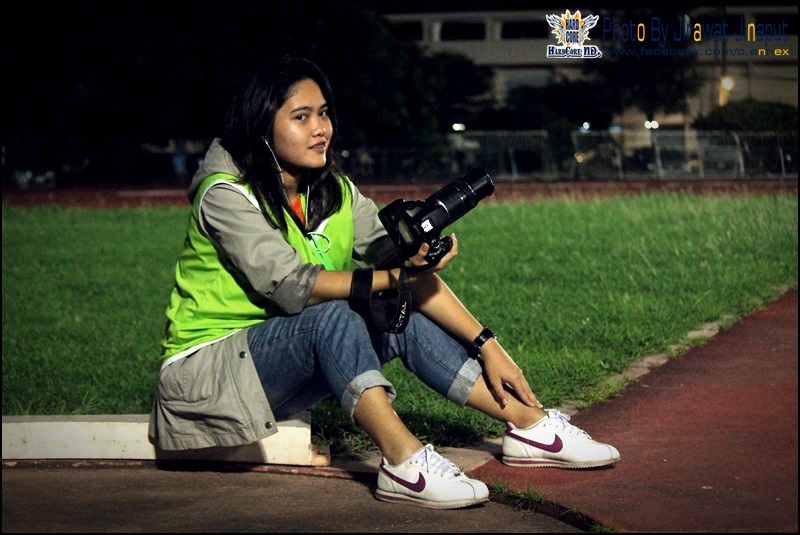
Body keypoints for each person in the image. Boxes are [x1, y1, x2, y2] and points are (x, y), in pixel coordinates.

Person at [148, 55, 619, 510]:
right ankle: (403, 463)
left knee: (392, 304)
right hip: (205, 378)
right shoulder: (225, 194)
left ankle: (529, 426)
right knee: (336, 312)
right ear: (261, 127)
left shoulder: (332, 190)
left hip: (275, 365)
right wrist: (395, 275)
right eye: (301, 117)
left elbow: (398, 272)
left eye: (324, 113)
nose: (320, 128)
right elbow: (291, 286)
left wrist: (486, 342)